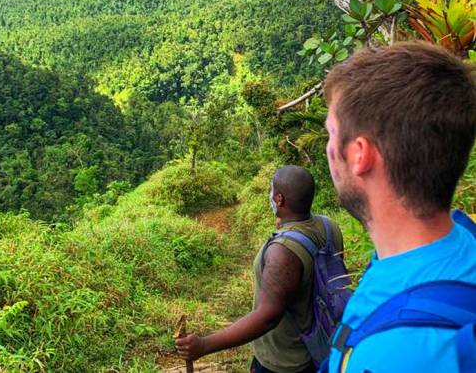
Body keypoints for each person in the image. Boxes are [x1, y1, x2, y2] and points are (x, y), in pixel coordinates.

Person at [323, 41, 476, 372]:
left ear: (360, 155)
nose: (328, 149)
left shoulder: (399, 354)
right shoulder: (461, 236)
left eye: (332, 135)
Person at [176, 165, 344, 373]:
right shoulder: (329, 227)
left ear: (280, 199)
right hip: (322, 347)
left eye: (272, 191)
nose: (270, 195)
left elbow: (267, 317)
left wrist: (204, 345)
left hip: (283, 362)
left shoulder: (282, 251)